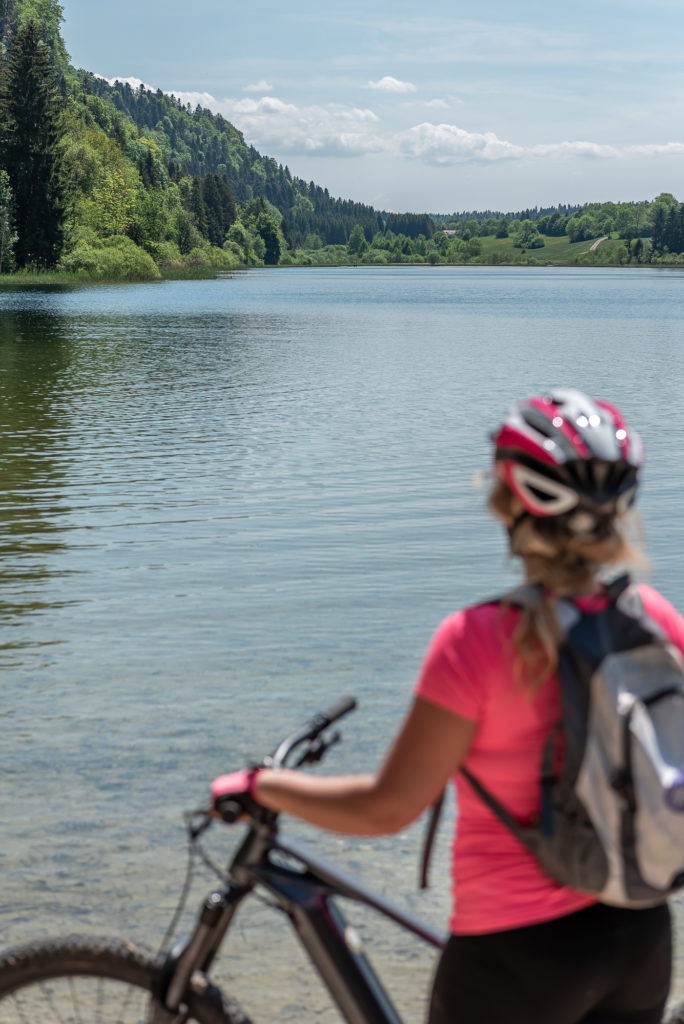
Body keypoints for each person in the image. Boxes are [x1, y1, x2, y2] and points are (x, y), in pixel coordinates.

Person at [212, 388, 684, 1024]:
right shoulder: (652, 619)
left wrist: (265, 787)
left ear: (508, 500)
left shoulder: (477, 644)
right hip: (640, 937)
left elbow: (387, 808)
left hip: (516, 957)